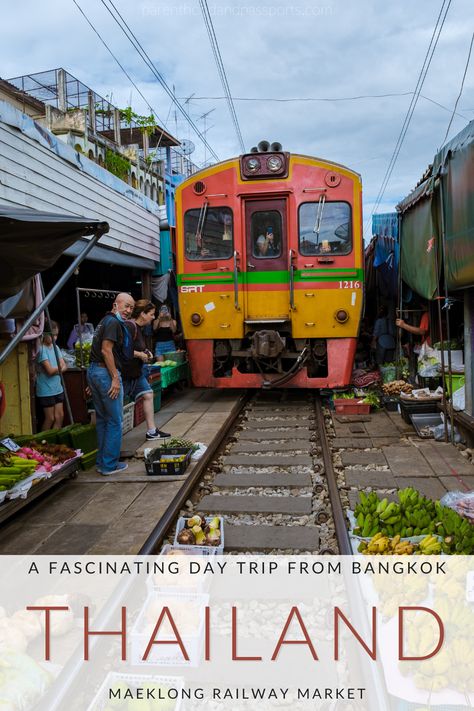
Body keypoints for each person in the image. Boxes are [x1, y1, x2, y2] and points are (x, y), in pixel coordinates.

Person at [87, 293, 135, 476]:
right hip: (105, 373)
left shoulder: (104, 321)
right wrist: (115, 378)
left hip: (94, 371)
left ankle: (102, 463)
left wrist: (94, 379)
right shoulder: (114, 323)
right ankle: (109, 465)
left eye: (131, 307)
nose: (128, 310)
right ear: (116, 305)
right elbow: (106, 350)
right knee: (115, 420)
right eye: (126, 306)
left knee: (102, 419)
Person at [122, 300, 171, 441]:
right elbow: (122, 350)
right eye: (151, 314)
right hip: (125, 374)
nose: (153, 317)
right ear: (142, 314)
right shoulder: (130, 327)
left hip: (136, 373)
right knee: (117, 408)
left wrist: (146, 352)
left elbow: (137, 347)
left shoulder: (139, 328)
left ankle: (152, 431)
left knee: (148, 395)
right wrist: (140, 354)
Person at [36, 321, 66, 430]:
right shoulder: (41, 349)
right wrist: (60, 369)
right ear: (44, 334)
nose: (54, 338)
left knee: (60, 416)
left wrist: (58, 369)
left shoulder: (56, 347)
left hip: (57, 388)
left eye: (56, 335)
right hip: (46, 390)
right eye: (52, 335)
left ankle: (54, 445)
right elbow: (49, 370)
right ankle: (44, 444)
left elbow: (65, 365)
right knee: (50, 418)